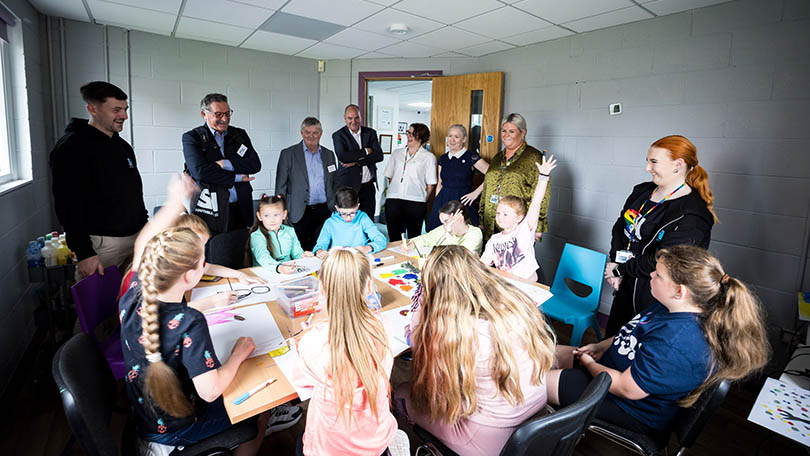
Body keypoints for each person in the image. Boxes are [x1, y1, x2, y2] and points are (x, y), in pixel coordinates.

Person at [119, 174, 300, 453]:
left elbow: (142, 245)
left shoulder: (133, 292)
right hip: (178, 427)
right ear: (191, 276)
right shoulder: (190, 322)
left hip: (146, 415)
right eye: (203, 260)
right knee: (260, 402)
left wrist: (174, 202)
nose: (207, 264)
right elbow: (210, 391)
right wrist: (240, 352)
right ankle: (257, 429)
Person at [547, 245, 768, 437]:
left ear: (679, 291)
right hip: (610, 370)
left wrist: (589, 364)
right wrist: (600, 346)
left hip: (629, 406)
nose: (651, 274)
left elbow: (627, 388)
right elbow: (633, 332)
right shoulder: (669, 307)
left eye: (658, 275)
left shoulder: (678, 341)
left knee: (529, 382)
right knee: (540, 352)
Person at [394, 245, 556, 456]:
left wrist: (422, 298)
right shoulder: (515, 304)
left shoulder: (459, 332)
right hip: (536, 422)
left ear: (437, 289)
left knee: (401, 393)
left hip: (491, 440)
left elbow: (418, 347)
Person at [604, 135, 716, 336]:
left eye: (654, 161)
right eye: (647, 161)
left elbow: (663, 259)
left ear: (678, 165)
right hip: (625, 282)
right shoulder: (642, 191)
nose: (647, 168)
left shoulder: (692, 214)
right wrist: (614, 263)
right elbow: (620, 227)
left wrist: (620, 270)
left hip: (654, 295)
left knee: (634, 354)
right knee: (612, 342)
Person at [290, 247, 397, 455]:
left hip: (330, 447)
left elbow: (302, 382)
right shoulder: (383, 326)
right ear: (368, 287)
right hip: (376, 441)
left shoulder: (314, 342)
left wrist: (313, 327)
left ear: (321, 289)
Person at [49, 81, 147, 278]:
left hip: (135, 240)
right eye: (116, 110)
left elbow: (133, 193)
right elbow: (67, 204)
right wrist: (84, 252)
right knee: (102, 307)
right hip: (102, 247)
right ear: (92, 109)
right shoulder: (73, 146)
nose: (124, 116)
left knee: (134, 304)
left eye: (125, 109)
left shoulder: (122, 146)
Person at [183, 93, 261, 235]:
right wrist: (237, 177)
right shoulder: (192, 138)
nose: (224, 119)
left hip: (241, 209)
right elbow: (200, 172)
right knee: (215, 252)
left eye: (227, 113)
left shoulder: (239, 134)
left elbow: (255, 164)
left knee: (242, 252)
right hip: (212, 212)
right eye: (218, 114)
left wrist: (225, 164)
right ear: (204, 114)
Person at [481, 155, 557, 282]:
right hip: (507, 285)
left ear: (518, 218)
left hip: (527, 285)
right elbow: (483, 264)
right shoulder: (494, 240)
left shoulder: (525, 230)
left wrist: (543, 177)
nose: (500, 217)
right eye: (498, 213)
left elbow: (536, 203)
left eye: (506, 214)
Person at [479, 113, 551, 242]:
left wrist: (539, 225)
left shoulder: (534, 157)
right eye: (503, 131)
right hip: (491, 221)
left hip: (518, 224)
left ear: (523, 133)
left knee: (513, 260)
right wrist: (482, 218)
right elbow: (486, 187)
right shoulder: (497, 158)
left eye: (511, 131)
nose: (506, 135)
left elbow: (543, 194)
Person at [275, 117, 338, 251]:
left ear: (320, 134)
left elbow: (334, 182)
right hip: (299, 212)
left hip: (325, 210)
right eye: (307, 132)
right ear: (301, 133)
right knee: (299, 251)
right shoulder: (288, 154)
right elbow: (280, 187)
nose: (311, 136)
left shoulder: (329, 155)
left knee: (324, 249)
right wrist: (281, 213)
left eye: (315, 132)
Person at [427, 124, 489, 231]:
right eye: (450, 136)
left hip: (463, 201)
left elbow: (493, 175)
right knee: (439, 233)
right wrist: (437, 200)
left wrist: (475, 193)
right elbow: (440, 183)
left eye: (456, 137)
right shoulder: (443, 158)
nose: (452, 140)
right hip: (443, 200)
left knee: (461, 234)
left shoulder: (471, 157)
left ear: (464, 139)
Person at [383, 123, 437, 242]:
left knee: (414, 238)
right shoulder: (397, 153)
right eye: (408, 133)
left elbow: (430, 184)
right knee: (394, 238)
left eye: (413, 134)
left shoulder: (428, 157)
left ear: (421, 137)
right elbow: (390, 177)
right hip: (394, 200)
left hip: (416, 202)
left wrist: (422, 198)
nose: (409, 136)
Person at [331, 104, 384, 219]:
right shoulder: (338, 135)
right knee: (349, 221)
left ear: (360, 118)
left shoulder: (370, 133)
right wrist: (365, 151)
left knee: (368, 219)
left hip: (368, 187)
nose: (353, 121)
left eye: (356, 118)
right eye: (350, 118)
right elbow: (343, 157)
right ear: (345, 118)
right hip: (348, 188)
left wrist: (356, 162)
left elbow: (379, 156)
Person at [313, 187, 387, 259]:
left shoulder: (362, 218)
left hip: (360, 260)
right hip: (339, 261)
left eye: (352, 213)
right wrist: (319, 251)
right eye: (344, 214)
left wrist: (368, 248)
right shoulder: (330, 223)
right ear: (337, 208)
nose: (348, 217)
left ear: (358, 206)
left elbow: (381, 240)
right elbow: (320, 245)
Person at [247, 194, 313, 273]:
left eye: (276, 215)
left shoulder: (290, 231)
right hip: (264, 272)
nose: (272, 220)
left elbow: (297, 252)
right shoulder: (257, 236)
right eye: (266, 216)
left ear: (284, 214)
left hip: (288, 271)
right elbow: (263, 257)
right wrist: (279, 268)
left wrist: (303, 256)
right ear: (259, 216)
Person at [402, 201, 483, 255]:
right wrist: (413, 244)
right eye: (443, 223)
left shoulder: (475, 233)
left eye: (447, 221)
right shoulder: (443, 228)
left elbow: (456, 256)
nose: (445, 226)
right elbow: (427, 238)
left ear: (460, 218)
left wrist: (449, 234)